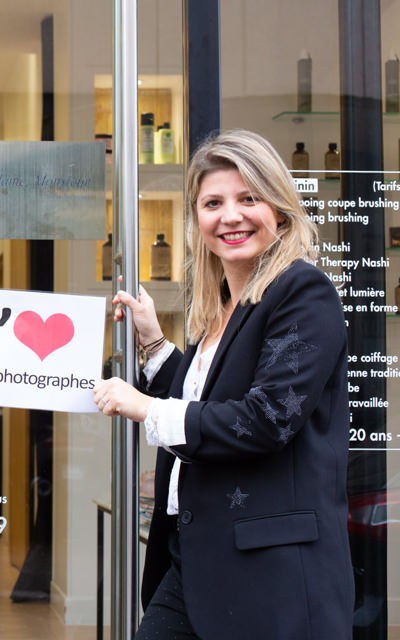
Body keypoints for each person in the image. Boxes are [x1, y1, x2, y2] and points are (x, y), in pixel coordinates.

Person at [92, 129, 353, 639]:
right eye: (213, 203)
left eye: (248, 198)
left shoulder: (303, 290)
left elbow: (266, 419)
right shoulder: (219, 311)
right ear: (196, 221)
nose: (230, 216)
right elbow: (208, 406)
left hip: (268, 577)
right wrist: (153, 345)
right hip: (194, 562)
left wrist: (144, 407)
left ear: (278, 208)